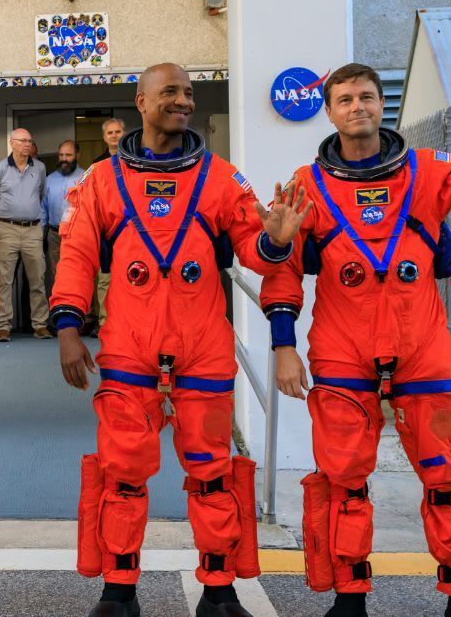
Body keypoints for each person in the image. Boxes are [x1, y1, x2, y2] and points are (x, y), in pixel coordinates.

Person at [260, 58, 451, 617]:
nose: (356, 107)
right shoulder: (305, 185)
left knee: (445, 477)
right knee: (343, 480)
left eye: (366, 96)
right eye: (344, 99)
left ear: (379, 103)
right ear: (329, 112)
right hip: (342, 349)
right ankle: (349, 597)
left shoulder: (428, 170)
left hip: (421, 346)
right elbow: (281, 270)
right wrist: (283, 346)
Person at [51, 63, 311, 617]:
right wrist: (68, 329)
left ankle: (218, 592)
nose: (183, 101)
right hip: (129, 347)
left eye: (189, 93)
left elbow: (254, 251)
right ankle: (119, 592)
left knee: (213, 474)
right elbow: (75, 256)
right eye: (170, 92)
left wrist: (275, 243)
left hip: (203, 348)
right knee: (122, 476)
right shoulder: (100, 180)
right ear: (141, 102)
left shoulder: (222, 178)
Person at [0, 128, 52, 340]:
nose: (27, 144)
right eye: (22, 141)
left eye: (29, 141)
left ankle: (40, 325)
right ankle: (3, 326)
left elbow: (41, 195)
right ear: (12, 143)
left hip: (33, 229)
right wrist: (1, 224)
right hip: (7, 229)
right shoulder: (0, 169)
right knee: (4, 281)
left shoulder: (39, 168)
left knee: (37, 279)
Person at [85, 117, 125, 334]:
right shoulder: (97, 165)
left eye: (118, 131)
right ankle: (105, 323)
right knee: (105, 279)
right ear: (104, 137)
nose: (114, 136)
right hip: (106, 230)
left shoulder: (136, 160)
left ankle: (127, 323)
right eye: (110, 133)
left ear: (124, 133)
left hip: (131, 228)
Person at [42, 139, 85, 282]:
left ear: (77, 155)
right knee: (57, 275)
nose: (64, 159)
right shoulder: (49, 180)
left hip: (77, 234)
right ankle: (59, 298)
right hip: (54, 235)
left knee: (78, 273)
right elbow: (43, 210)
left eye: (68, 155)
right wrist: (40, 237)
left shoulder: (86, 178)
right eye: (61, 155)